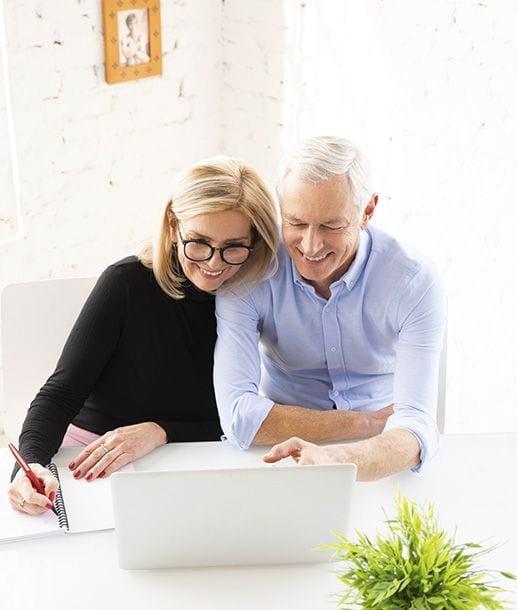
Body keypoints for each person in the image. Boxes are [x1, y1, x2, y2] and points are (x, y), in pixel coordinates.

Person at [8, 156, 279, 515]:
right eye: (198, 242)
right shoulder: (125, 283)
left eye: (233, 246)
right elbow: (59, 395)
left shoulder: (254, 295)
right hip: (92, 456)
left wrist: (159, 431)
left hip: (194, 460)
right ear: (173, 223)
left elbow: (237, 417)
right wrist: (31, 464)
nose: (214, 264)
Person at [214, 136, 446, 481]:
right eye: (295, 223)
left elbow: (416, 425)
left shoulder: (412, 282)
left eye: (330, 225)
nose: (310, 245)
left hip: (380, 452)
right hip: (283, 450)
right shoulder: (250, 273)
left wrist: (339, 458)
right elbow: (238, 416)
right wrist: (364, 422)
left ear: (367, 211)